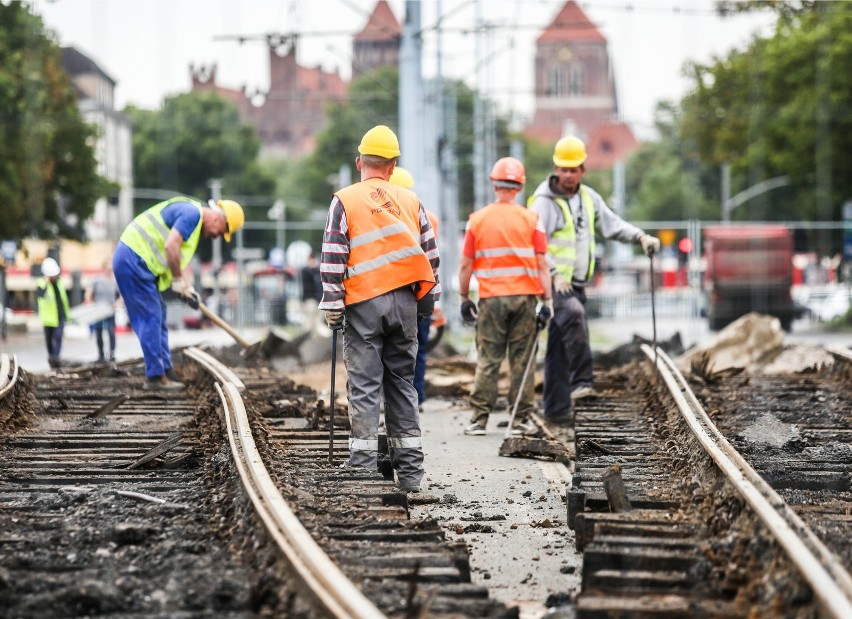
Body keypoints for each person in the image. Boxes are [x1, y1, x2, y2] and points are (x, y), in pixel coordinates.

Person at [318, 125, 440, 494]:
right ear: (391, 166)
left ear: (359, 162)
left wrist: (333, 306)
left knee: (365, 386)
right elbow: (431, 258)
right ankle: (411, 477)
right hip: (404, 303)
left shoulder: (345, 200)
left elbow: (333, 256)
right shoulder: (411, 201)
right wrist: (424, 306)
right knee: (403, 385)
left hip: (363, 305)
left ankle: (362, 469)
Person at [528, 135, 660, 427]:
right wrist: (553, 273)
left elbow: (612, 225)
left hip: (576, 283)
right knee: (574, 316)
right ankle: (583, 381)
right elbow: (536, 244)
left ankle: (555, 409)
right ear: (555, 168)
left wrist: (640, 237)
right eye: (563, 169)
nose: (567, 174)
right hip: (553, 284)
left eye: (573, 169)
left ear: (582, 170)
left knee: (558, 347)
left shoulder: (588, 199)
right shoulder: (543, 203)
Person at [458, 157, 553, 436]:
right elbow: (542, 264)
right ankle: (520, 420)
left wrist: (464, 297)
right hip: (525, 298)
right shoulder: (532, 220)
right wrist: (548, 302)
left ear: (493, 184)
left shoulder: (477, 220)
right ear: (520, 186)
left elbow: (465, 265)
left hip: (491, 298)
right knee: (522, 360)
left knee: (488, 358)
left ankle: (478, 420)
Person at [113, 196, 244, 390]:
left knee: (159, 314)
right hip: (134, 259)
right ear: (218, 219)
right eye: (222, 231)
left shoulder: (192, 221)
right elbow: (170, 246)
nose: (216, 236)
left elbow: (175, 258)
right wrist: (177, 281)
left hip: (139, 263)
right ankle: (155, 378)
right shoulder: (191, 214)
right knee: (151, 316)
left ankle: (166, 371)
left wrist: (186, 287)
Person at [389, 165, 440, 412]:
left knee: (389, 351)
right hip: (419, 293)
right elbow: (433, 259)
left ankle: (397, 399)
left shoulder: (381, 218)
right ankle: (415, 398)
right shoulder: (426, 217)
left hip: (394, 294)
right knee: (415, 350)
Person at [36, 257, 70, 369]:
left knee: (58, 337)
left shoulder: (59, 283)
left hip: (60, 317)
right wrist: (46, 283)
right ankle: (51, 357)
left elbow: (63, 300)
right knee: (49, 340)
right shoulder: (41, 283)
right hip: (48, 319)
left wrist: (67, 315)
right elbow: (40, 295)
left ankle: (55, 358)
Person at [85, 259, 119, 363]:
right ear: (104, 268)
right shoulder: (97, 280)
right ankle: (101, 355)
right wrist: (89, 302)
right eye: (108, 268)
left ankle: (112, 354)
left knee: (111, 332)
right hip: (98, 312)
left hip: (110, 311)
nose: (110, 270)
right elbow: (88, 293)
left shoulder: (115, 281)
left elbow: (121, 295)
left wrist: (117, 303)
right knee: (98, 333)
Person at [299, 252, 324, 332]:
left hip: (319, 300)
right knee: (309, 323)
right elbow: (305, 287)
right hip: (310, 299)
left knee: (317, 323)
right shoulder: (306, 271)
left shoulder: (318, 271)